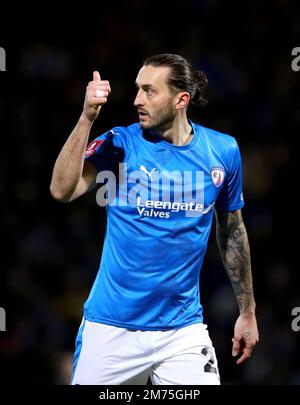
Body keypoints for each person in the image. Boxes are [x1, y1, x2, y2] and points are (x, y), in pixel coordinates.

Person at [50, 53, 259, 385]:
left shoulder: (223, 151)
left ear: (181, 100)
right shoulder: (120, 143)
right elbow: (62, 190)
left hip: (182, 332)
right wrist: (86, 117)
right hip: (110, 328)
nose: (137, 100)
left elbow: (232, 232)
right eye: (137, 89)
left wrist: (247, 312)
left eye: (149, 91)